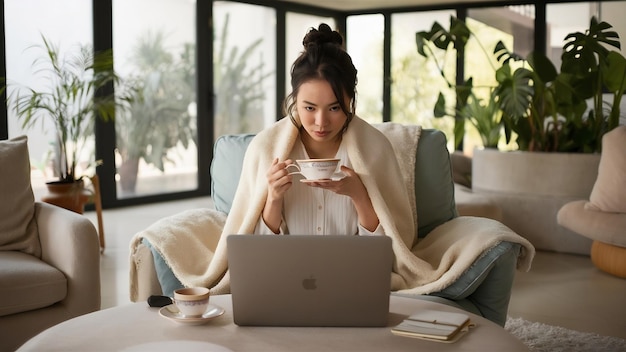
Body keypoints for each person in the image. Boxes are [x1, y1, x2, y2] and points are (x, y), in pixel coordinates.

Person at [256, 23, 387, 237]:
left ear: (350, 101)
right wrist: (273, 197)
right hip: (288, 269)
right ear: (295, 101)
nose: (321, 122)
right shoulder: (266, 149)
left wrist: (359, 195)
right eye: (309, 108)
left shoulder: (375, 149)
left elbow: (387, 250)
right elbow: (258, 252)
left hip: (351, 269)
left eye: (334, 108)